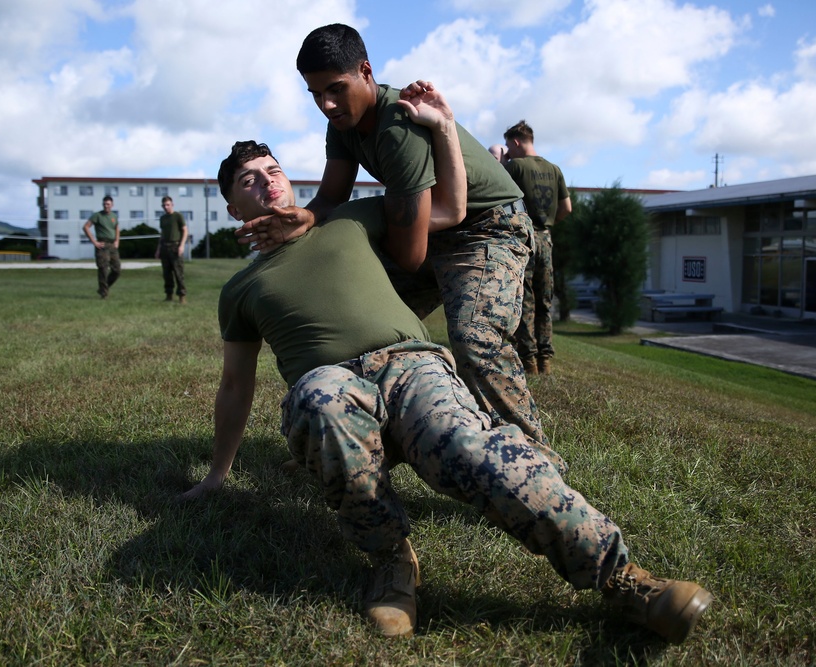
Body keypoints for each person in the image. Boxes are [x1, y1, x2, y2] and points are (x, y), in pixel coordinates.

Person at [182, 128, 712, 644]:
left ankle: (630, 583)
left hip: (411, 366)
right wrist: (217, 474)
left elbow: (451, 209)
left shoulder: (348, 221)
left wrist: (442, 128)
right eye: (249, 180)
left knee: (468, 447)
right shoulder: (240, 289)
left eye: (273, 171)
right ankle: (393, 561)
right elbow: (234, 386)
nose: (267, 182)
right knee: (318, 398)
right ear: (232, 208)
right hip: (334, 388)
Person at [236, 24, 563, 473]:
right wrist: (304, 219)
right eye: (315, 94)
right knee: (355, 325)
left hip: (487, 230)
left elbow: (411, 253)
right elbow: (331, 197)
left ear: (365, 72)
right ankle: (353, 445)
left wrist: (360, 220)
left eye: (335, 89)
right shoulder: (344, 123)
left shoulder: (397, 127)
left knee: (474, 341)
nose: (326, 105)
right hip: (432, 225)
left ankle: (537, 465)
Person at [503, 120, 572, 375]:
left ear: (516, 142)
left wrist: (504, 162)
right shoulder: (554, 169)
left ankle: (528, 360)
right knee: (545, 300)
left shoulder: (514, 166)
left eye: (509, 144)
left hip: (524, 237)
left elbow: (498, 194)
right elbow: (567, 209)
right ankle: (546, 360)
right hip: (546, 238)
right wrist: (547, 223)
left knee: (525, 299)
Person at [83, 195, 121, 299]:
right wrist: (94, 241)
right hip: (102, 245)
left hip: (112, 245)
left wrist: (117, 241)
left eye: (108, 204)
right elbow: (86, 227)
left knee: (117, 270)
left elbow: (117, 228)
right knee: (103, 269)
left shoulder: (114, 216)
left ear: (112, 205)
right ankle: (104, 294)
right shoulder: (97, 216)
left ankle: (103, 287)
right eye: (104, 204)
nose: (106, 206)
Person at [155, 196, 189, 304]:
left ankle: (182, 296)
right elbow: (162, 235)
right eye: (164, 205)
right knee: (167, 273)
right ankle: (169, 295)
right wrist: (158, 249)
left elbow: (185, 231)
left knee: (178, 272)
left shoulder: (178, 216)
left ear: (172, 205)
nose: (166, 207)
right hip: (165, 247)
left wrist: (182, 246)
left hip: (175, 246)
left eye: (168, 205)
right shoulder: (163, 218)